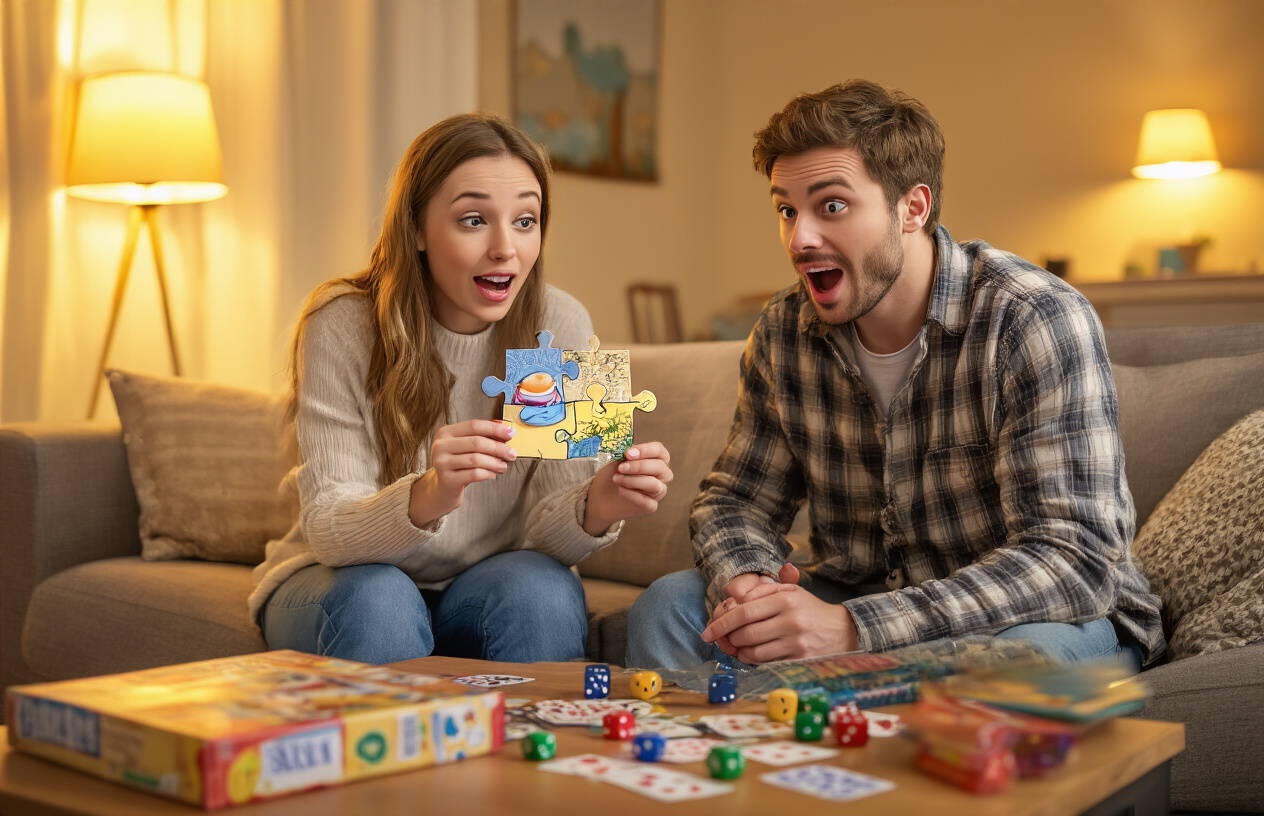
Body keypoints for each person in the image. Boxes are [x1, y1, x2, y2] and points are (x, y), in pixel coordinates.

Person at [626, 80, 1163, 674]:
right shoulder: (783, 332)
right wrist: (750, 585)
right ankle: (729, 757)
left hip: (1038, 619)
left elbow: (1072, 561)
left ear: (913, 208)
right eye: (786, 209)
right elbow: (735, 501)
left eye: (831, 206)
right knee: (669, 607)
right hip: (857, 596)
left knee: (1016, 666)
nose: (799, 238)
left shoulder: (1032, 319)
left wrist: (854, 629)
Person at [249, 113, 673, 665]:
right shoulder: (342, 324)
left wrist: (600, 503)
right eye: (474, 220)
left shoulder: (560, 323)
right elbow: (330, 531)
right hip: (340, 579)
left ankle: (533, 749)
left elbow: (549, 539)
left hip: (481, 586)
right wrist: (430, 493)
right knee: (381, 602)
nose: (506, 249)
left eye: (526, 220)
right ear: (418, 229)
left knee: (541, 591)